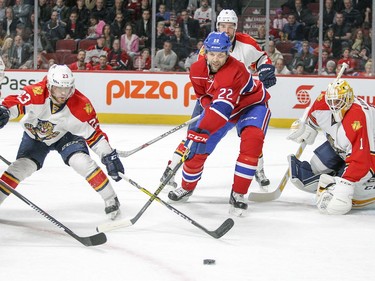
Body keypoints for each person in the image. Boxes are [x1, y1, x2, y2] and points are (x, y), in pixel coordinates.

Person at [160, 9, 277, 190]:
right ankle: (170, 169)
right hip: (214, 98)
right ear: (217, 26)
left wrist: (265, 68)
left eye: (230, 26)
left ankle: (258, 170)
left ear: (235, 27)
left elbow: (261, 57)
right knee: (195, 137)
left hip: (242, 100)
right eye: (223, 25)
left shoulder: (246, 43)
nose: (226, 30)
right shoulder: (209, 48)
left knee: (251, 136)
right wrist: (211, 104)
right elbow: (204, 79)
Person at [0, 64, 124, 220]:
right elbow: (16, 103)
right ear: (50, 85)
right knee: (20, 168)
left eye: (67, 88)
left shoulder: (82, 105)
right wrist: (4, 110)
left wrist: (108, 155)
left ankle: (110, 198)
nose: (64, 93)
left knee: (82, 163)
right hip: (35, 136)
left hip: (66, 135)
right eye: (59, 88)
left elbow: (95, 135)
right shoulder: (36, 92)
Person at [167, 32, 271, 216]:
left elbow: (222, 109)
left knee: (252, 142)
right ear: (205, 52)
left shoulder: (234, 71)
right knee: (197, 147)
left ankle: (238, 193)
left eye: (221, 55)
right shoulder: (196, 70)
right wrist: (204, 118)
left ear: (228, 53)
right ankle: (186, 187)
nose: (216, 59)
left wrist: (200, 129)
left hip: (251, 105)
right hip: (224, 108)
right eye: (212, 54)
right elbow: (204, 97)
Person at [287, 78, 375, 215]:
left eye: (337, 101)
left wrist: (345, 186)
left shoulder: (357, 117)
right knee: (316, 167)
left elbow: (361, 159)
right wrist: (305, 126)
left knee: (355, 187)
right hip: (342, 147)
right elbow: (312, 116)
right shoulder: (323, 101)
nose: (334, 105)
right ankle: (339, 176)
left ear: (348, 99)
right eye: (331, 101)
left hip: (370, 149)